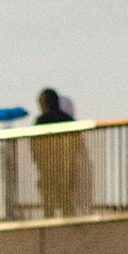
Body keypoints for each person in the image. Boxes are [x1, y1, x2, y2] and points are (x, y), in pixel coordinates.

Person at [29, 87, 90, 218]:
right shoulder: (69, 121)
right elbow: (77, 146)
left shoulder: (41, 121)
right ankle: (71, 226)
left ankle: (49, 227)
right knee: (66, 203)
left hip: (48, 172)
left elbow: (34, 147)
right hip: (67, 171)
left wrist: (41, 164)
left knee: (48, 206)